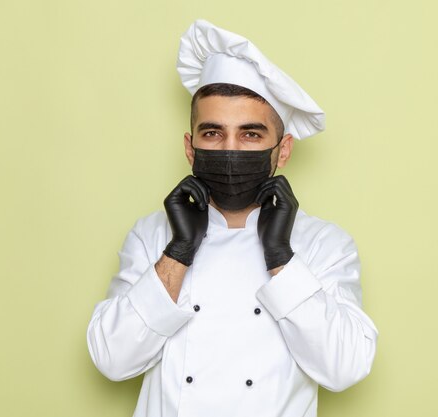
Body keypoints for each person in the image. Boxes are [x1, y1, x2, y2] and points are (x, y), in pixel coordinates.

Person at [87, 19, 378, 417]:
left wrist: (280, 256)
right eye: (212, 133)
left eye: (251, 135)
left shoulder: (326, 244)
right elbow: (111, 360)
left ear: (283, 150)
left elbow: (345, 368)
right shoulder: (151, 235)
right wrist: (179, 250)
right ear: (190, 147)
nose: (230, 149)